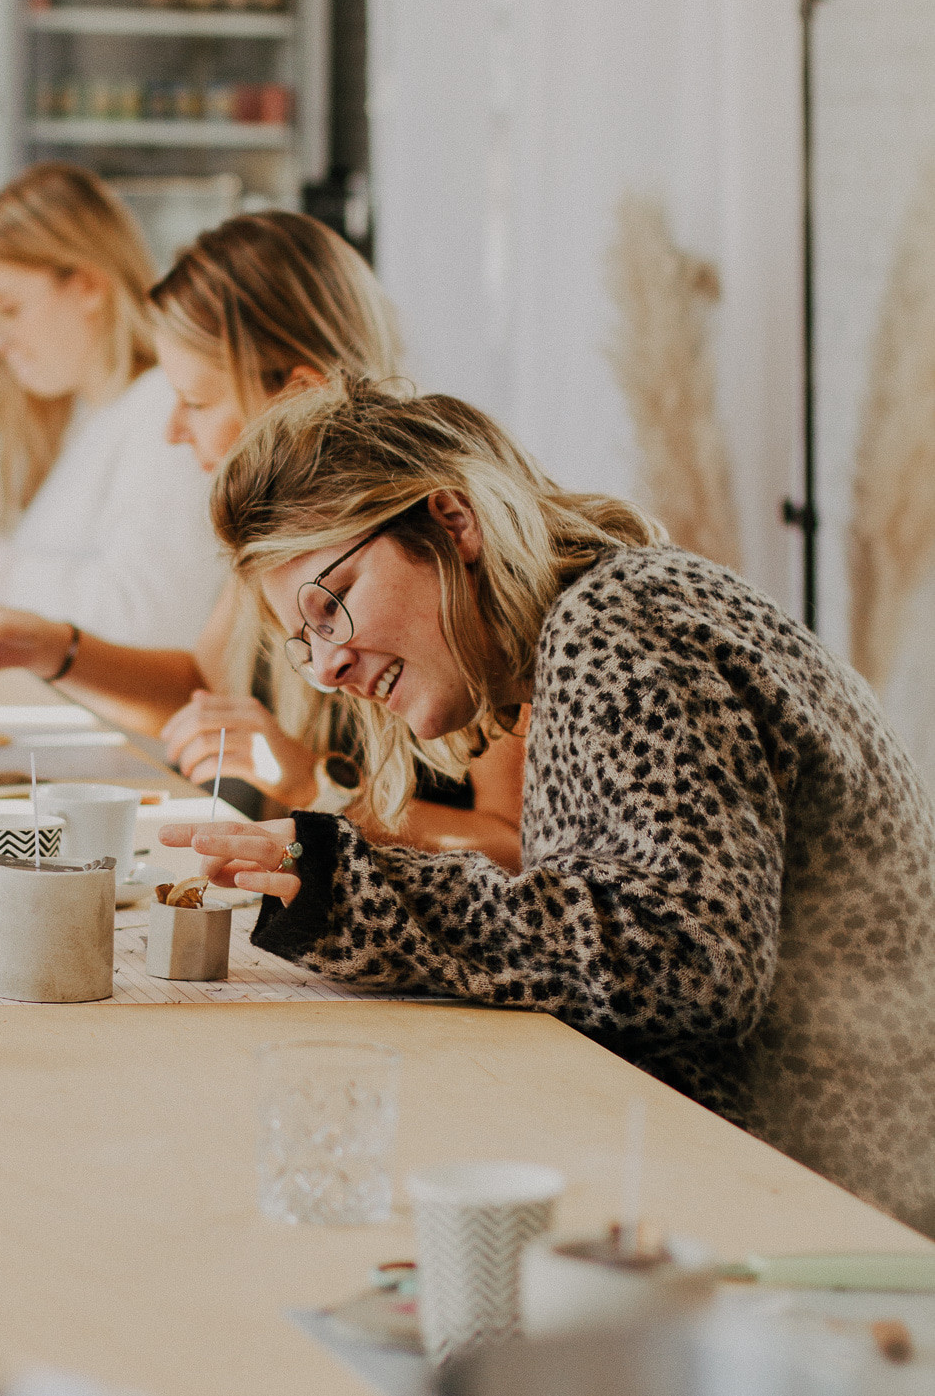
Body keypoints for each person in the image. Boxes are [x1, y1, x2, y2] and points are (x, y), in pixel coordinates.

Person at [160, 375, 935, 1233]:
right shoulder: (607, 616)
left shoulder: (614, 627)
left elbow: (686, 960)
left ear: (450, 524)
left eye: (329, 606)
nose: (327, 668)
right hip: (776, 1174)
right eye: (303, 641)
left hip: (840, 1206)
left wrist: (357, 895)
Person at [0, 214, 526, 865]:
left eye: (196, 402)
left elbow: (513, 846)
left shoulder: (438, 550)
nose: (172, 433)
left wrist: (314, 786)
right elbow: (207, 697)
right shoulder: (275, 537)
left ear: (299, 394)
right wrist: (47, 647)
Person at [0, 163, 224, 650]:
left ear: (88, 286)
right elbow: (67, 607)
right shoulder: (93, 413)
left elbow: (152, 624)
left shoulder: (166, 414)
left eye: (9, 309)